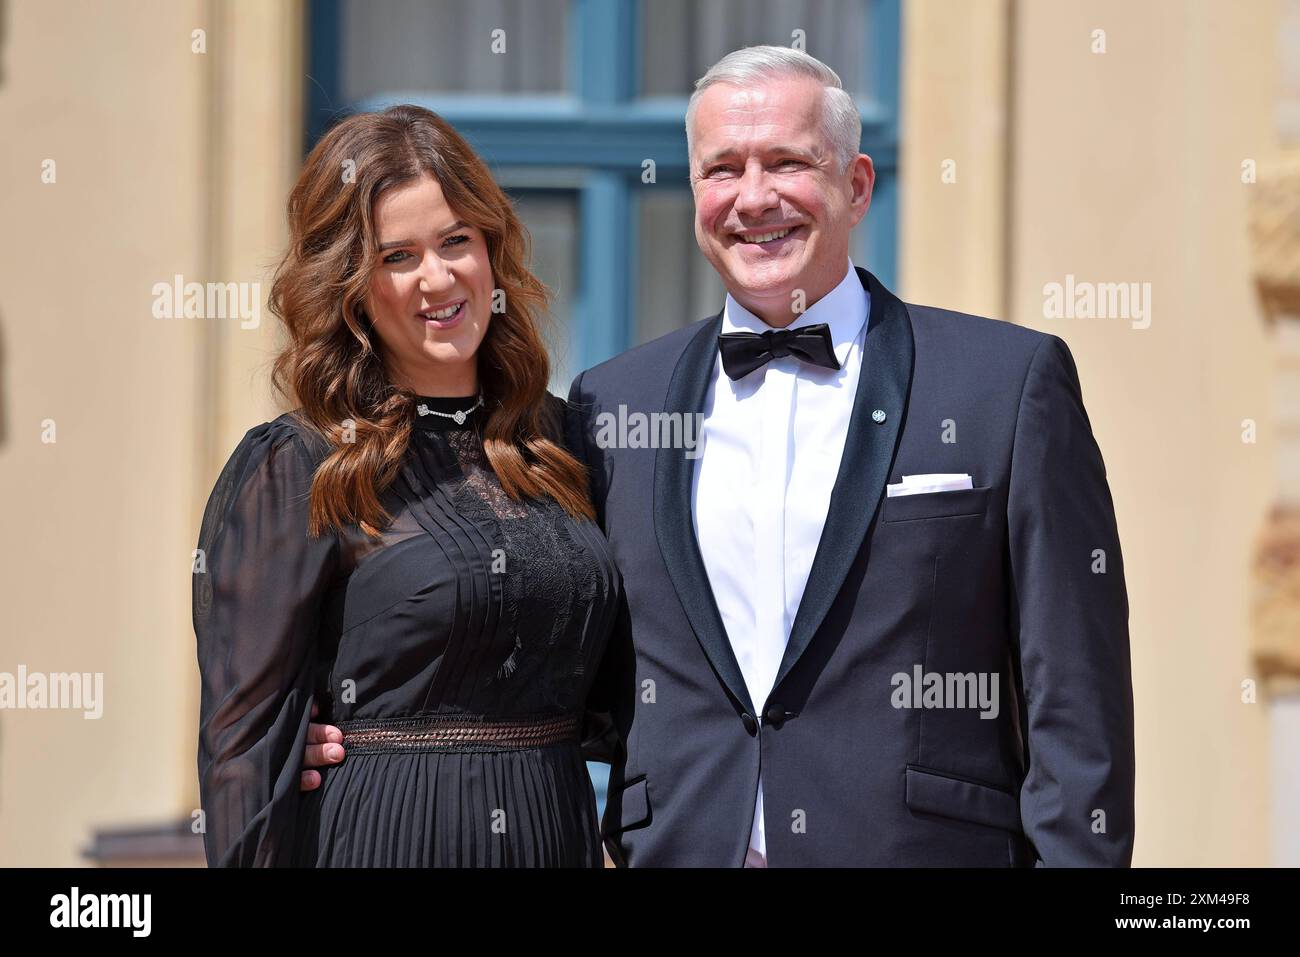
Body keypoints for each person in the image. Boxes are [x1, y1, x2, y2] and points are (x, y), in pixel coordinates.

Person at [303, 46, 1136, 867]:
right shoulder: (612, 403)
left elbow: (1077, 697)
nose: (754, 197)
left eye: (786, 161)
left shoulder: (1005, 383)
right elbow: (553, 628)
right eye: (723, 169)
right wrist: (357, 730)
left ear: (856, 185)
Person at [194, 104, 621, 867]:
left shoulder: (563, 440)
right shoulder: (299, 464)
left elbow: (623, 690)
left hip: (553, 834)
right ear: (351, 287)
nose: (438, 277)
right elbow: (243, 754)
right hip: (383, 839)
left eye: (457, 240)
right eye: (397, 255)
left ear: (491, 249)